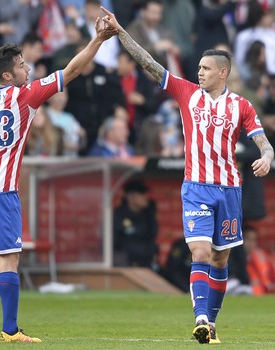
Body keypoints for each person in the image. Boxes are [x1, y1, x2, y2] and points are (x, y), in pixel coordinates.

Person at [0, 17, 117, 343]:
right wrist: (98, 40)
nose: (27, 69)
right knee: (8, 259)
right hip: (0, 191)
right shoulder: (26, 96)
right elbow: (71, 71)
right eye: (22, 65)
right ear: (7, 75)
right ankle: (10, 330)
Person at [101, 6, 274, 345]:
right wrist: (121, 32)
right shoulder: (186, 94)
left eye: (206, 68)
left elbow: (263, 141)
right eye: (198, 68)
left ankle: (211, 321)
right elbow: (149, 63)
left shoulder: (241, 106)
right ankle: (199, 318)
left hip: (229, 190)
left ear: (223, 72)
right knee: (200, 252)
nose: (200, 73)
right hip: (195, 188)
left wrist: (268, 156)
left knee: (221, 258)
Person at [113, 179, 158, 268]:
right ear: (130, 196)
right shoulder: (118, 216)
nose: (146, 197)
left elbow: (151, 239)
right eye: (141, 193)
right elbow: (113, 246)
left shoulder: (148, 215)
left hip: (146, 265)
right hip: (124, 267)